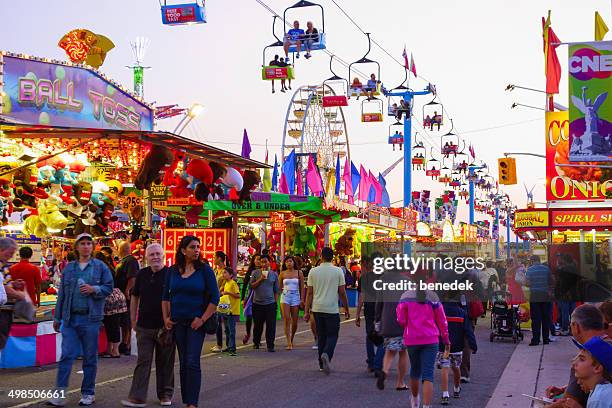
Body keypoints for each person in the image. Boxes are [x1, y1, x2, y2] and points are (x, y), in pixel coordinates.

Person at [48, 233, 113, 407]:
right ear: (76, 247)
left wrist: (94, 289)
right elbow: (61, 293)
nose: (85, 246)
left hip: (90, 318)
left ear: (92, 247)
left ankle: (88, 393)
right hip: (70, 318)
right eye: (82, 243)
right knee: (67, 356)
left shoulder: (100, 267)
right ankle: (60, 394)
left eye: (88, 243)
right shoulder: (69, 268)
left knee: (90, 357)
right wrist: (57, 316)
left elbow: (109, 287)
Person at [162, 236, 219, 408]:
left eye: (198, 247)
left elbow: (215, 298)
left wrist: (202, 319)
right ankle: (187, 398)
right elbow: (165, 296)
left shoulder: (205, 270)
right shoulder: (172, 271)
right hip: (178, 322)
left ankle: (192, 403)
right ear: (183, 250)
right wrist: (166, 318)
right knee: (184, 362)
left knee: (193, 360)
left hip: (196, 323)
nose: (197, 250)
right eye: (193, 247)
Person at [121, 243, 175, 407]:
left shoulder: (171, 274)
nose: (155, 257)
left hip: (165, 327)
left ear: (163, 256)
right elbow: (135, 297)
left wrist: (172, 319)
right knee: (143, 362)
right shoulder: (142, 274)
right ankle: (137, 397)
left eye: (158, 254)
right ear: (146, 258)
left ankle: (165, 395)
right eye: (152, 255)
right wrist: (132, 320)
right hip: (144, 326)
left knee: (165, 362)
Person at [396, 285, 450, 408]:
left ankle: (415, 400)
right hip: (431, 339)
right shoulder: (433, 296)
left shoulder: (405, 296)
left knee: (415, 371)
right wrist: (446, 338)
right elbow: (442, 320)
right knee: (428, 374)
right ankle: (426, 405)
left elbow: (401, 320)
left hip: (412, 339)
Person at [546, 305, 607, 408]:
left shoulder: (592, 353)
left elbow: (567, 402)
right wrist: (564, 388)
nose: (574, 362)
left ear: (576, 327)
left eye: (581, 359)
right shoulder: (606, 346)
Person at [304, 247, 350, 375]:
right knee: (333, 335)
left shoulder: (313, 271)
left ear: (321, 256)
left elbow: (309, 293)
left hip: (317, 309)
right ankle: (327, 354)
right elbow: (342, 292)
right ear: (332, 257)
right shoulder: (338, 271)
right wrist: (346, 308)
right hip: (331, 309)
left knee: (322, 336)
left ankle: (321, 364)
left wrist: (307, 310)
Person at [437, 299, 478, 405]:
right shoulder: (461, 313)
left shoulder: (439, 311)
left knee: (445, 368)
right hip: (457, 346)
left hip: (443, 345)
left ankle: (445, 394)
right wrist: (473, 345)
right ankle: (456, 388)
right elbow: (468, 331)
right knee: (456, 368)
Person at [355, 264, 384, 377]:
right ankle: (378, 362)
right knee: (382, 336)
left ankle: (371, 362)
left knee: (369, 334)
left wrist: (357, 313)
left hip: (369, 309)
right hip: (381, 309)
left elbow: (362, 295)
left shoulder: (364, 277)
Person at [570, 336, 612, 408]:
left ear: (597, 368)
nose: (574, 363)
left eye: (582, 359)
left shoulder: (599, 398)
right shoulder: (598, 391)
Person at [98, 251, 125, 359]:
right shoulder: (109, 267)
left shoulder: (102, 269)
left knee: (112, 325)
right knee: (111, 325)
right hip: (116, 297)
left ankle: (115, 351)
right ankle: (110, 349)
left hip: (110, 299)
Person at [250, 254, 279, 352]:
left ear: (269, 262)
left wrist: (275, 303)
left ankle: (270, 345)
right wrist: (261, 279)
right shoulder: (255, 273)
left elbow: (276, 290)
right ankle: (256, 342)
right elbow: (252, 286)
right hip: (257, 303)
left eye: (265, 261)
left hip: (270, 303)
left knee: (271, 325)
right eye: (262, 262)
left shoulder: (274, 274)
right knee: (258, 325)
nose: (264, 264)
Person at [0, 238, 25, 351]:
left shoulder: (4, 265)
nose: (11, 256)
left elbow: (4, 284)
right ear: (1, 249)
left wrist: (14, 284)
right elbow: (3, 288)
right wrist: (19, 295)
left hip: (6, 310)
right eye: (10, 253)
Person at [115, 241, 140, 355]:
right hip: (121, 295)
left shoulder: (131, 261)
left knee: (127, 320)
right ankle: (125, 343)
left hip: (126, 295)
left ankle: (127, 343)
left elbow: (132, 278)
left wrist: (127, 290)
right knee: (125, 320)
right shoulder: (124, 261)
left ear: (121, 249)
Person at [526, 255, 553, 346]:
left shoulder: (530, 270)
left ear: (532, 261)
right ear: (539, 260)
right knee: (546, 318)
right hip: (546, 295)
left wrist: (533, 284)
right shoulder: (546, 269)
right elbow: (551, 282)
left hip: (535, 295)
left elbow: (527, 283)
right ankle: (546, 339)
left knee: (536, 319)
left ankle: (536, 340)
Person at [279, 256, 304, 350]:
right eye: (287, 262)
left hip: (296, 296)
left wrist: (302, 299)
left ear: (293, 262)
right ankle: (289, 342)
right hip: (285, 296)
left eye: (290, 261)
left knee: (295, 321)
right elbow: (279, 286)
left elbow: (302, 287)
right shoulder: (282, 273)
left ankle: (292, 337)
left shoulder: (299, 272)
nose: (289, 263)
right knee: (287, 319)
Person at [555, 253, 579, 336]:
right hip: (573, 293)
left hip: (564, 293)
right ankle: (573, 329)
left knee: (564, 312)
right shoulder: (575, 268)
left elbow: (558, 276)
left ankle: (565, 329)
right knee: (573, 312)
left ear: (564, 260)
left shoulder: (563, 269)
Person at [211, 251, 228, 353]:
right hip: (216, 298)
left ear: (220, 259)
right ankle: (219, 344)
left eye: (214, 257)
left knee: (225, 322)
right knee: (217, 322)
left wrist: (219, 291)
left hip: (224, 299)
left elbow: (226, 283)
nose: (213, 259)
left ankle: (227, 344)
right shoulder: (215, 270)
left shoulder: (225, 271)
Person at [241, 254, 260, 344]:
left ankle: (257, 339)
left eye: (260, 259)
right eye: (257, 259)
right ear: (253, 261)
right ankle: (248, 333)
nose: (259, 261)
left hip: (260, 296)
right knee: (249, 317)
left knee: (258, 319)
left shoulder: (264, 271)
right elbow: (245, 285)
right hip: (250, 296)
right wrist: (243, 298)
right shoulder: (250, 272)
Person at [220, 267, 240, 356]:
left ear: (231, 275)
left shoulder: (233, 283)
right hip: (226, 309)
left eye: (225, 273)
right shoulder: (226, 284)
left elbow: (237, 295)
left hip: (232, 310)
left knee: (231, 330)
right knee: (227, 330)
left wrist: (228, 293)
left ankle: (233, 348)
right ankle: (229, 346)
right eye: (223, 273)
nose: (223, 274)